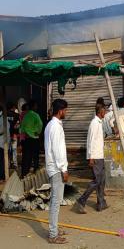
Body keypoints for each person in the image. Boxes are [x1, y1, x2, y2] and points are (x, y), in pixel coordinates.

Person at [76, 103, 108, 214]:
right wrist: (90, 157)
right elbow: (90, 141)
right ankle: (82, 200)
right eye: (105, 110)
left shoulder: (99, 123)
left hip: (100, 156)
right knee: (97, 180)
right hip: (96, 157)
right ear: (101, 112)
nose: (106, 112)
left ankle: (101, 203)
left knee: (102, 180)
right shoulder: (94, 123)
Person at [44, 99, 69, 244]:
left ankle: (54, 229)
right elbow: (58, 150)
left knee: (56, 201)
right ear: (60, 111)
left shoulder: (51, 125)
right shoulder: (55, 127)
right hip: (56, 168)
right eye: (65, 110)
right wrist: (64, 169)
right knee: (55, 202)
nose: (66, 112)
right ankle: (53, 234)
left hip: (54, 167)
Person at [20, 100, 43, 177]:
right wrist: (37, 132)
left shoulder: (26, 116)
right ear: (33, 106)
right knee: (35, 156)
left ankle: (24, 173)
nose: (36, 107)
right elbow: (40, 125)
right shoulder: (36, 115)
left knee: (27, 157)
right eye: (36, 105)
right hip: (34, 139)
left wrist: (26, 133)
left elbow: (22, 128)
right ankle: (35, 171)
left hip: (27, 139)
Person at [7, 102, 20, 169]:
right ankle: (15, 164)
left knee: (8, 150)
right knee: (14, 150)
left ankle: (8, 164)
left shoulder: (5, 114)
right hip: (14, 135)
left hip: (7, 135)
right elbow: (17, 126)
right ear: (14, 107)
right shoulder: (17, 115)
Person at [0, 107, 10, 182]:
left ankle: (2, 176)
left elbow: (2, 130)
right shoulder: (3, 118)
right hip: (3, 143)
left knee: (2, 160)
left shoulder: (3, 118)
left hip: (2, 143)